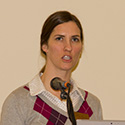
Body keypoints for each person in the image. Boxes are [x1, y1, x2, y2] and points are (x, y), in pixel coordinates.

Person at [0, 10, 103, 125]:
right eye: (59, 38)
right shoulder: (19, 101)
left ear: (81, 47)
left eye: (74, 39)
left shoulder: (92, 105)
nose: (68, 47)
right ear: (45, 46)